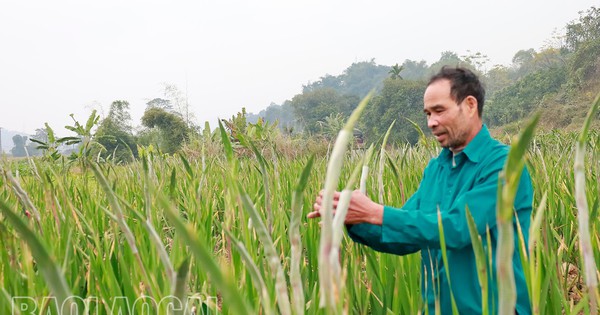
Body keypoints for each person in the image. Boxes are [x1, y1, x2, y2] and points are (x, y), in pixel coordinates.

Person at [308, 66, 533, 314]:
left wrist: (375, 212)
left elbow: (459, 227)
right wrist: (349, 216)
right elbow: (403, 232)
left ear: (470, 105)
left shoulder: (504, 165)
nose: (431, 123)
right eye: (427, 114)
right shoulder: (436, 169)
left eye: (439, 111)